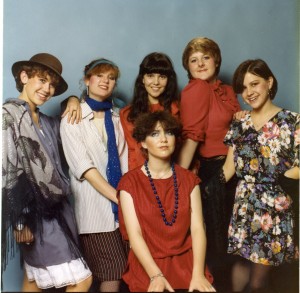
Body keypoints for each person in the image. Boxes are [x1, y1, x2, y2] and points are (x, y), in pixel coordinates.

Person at [2, 53, 93, 291]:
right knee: (82, 279)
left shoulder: (46, 121)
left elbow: (63, 120)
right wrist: (21, 221)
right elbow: (8, 171)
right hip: (34, 216)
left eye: (52, 84)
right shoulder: (8, 115)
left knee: (34, 280)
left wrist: (73, 99)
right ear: (24, 77)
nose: (47, 89)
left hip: (60, 212)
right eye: (41, 80)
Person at [221, 59, 299, 292]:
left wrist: (280, 177)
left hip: (275, 206)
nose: (249, 92)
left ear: (269, 82)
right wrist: (196, 191)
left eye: (254, 84)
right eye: (243, 88)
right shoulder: (239, 122)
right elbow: (228, 169)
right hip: (244, 205)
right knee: (241, 264)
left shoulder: (293, 122)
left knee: (259, 280)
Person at [117, 111, 215, 292]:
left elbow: (198, 229)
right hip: (148, 266)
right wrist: (156, 276)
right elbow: (135, 235)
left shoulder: (189, 180)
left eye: (168, 133)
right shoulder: (129, 183)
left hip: (188, 264)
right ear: (143, 142)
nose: (163, 139)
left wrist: (198, 273)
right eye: (155, 134)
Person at [177, 37, 242, 290]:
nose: (200, 63)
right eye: (194, 60)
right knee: (218, 247)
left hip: (235, 169)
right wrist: (179, 180)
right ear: (188, 68)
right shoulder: (197, 89)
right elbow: (192, 138)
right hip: (214, 171)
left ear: (216, 59)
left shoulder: (226, 90)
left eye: (205, 57)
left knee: (237, 245)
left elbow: (237, 130)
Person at [60, 58, 129, 292]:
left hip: (124, 209)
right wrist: (120, 198)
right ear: (87, 80)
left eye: (111, 78)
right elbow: (85, 169)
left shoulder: (119, 117)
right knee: (113, 270)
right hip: (95, 211)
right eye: (99, 75)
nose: (105, 81)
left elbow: (127, 160)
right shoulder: (72, 119)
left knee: (126, 269)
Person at [120, 52, 180, 171]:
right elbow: (133, 153)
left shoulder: (178, 109)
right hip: (141, 176)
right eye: (150, 75)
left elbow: (181, 149)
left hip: (173, 174)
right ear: (142, 78)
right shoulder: (127, 114)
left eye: (162, 76)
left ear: (168, 80)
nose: (156, 82)